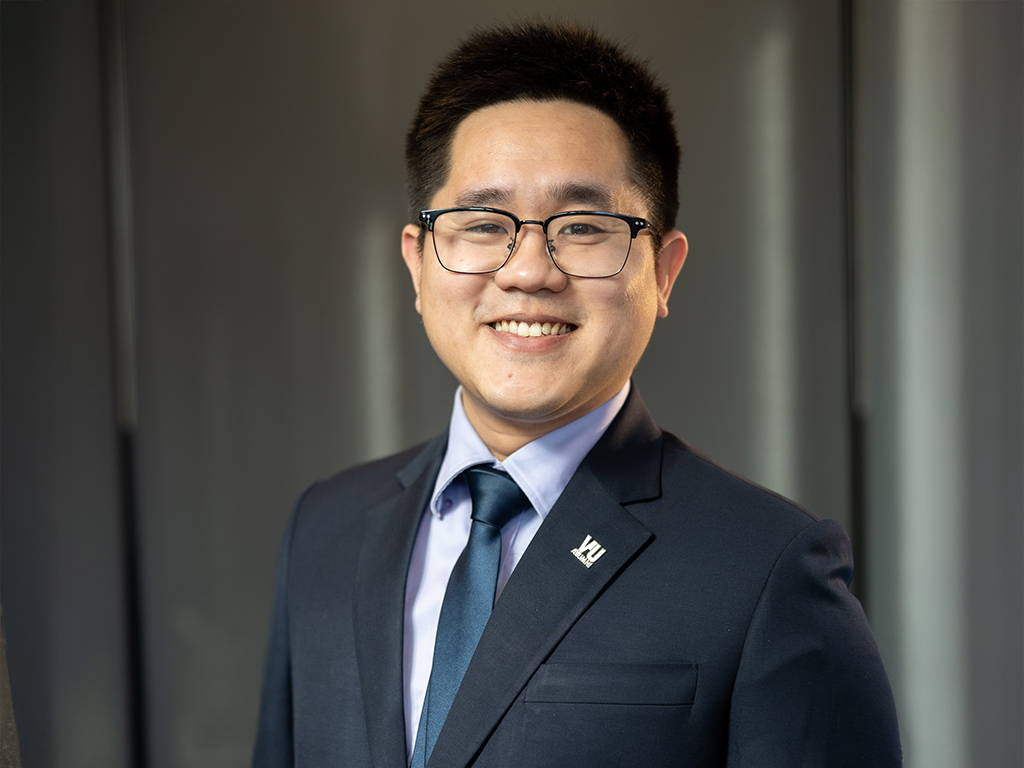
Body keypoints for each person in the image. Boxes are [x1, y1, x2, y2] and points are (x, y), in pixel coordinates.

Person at [252, 21, 901, 768]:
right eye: (483, 224)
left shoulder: (767, 572)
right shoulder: (325, 532)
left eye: (584, 226)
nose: (528, 270)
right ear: (418, 263)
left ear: (663, 272)